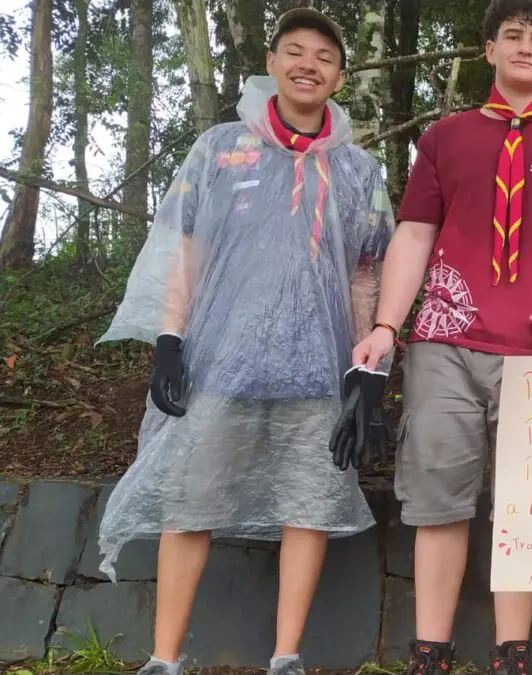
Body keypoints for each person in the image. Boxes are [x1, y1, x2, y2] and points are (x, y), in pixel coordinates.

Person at [96, 9, 393, 675]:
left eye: (323, 55)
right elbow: (186, 248)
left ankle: (286, 655)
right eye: (295, 50)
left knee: (308, 506)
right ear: (273, 60)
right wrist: (169, 338)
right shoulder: (220, 149)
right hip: (218, 366)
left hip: (317, 372)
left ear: (340, 76)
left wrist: (367, 365)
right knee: (189, 501)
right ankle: (163, 657)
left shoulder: (358, 170)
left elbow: (367, 271)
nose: (308, 64)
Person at [350, 1, 532, 673]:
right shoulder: (446, 137)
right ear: (488, 50)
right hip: (445, 342)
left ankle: (512, 653)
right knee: (438, 499)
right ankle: (429, 651)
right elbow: (414, 234)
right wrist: (387, 325)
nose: (525, 47)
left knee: (528, 505)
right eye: (513, 36)